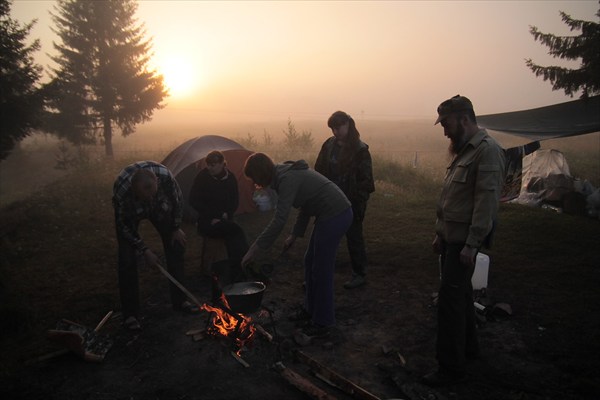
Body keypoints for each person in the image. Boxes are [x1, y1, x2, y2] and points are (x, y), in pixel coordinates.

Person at [423, 95, 506, 386]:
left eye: (446, 123)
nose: (444, 130)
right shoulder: (464, 151)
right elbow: (452, 198)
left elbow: (486, 203)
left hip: (464, 243)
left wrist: (472, 244)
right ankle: (470, 350)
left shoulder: (487, 152)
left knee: (449, 303)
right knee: (460, 297)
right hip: (451, 238)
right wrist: (440, 233)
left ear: (464, 119)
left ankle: (450, 370)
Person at [241, 153, 353, 336]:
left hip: (336, 214)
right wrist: (294, 235)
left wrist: (255, 248)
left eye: (254, 179)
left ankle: (323, 321)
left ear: (260, 174)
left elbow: (279, 220)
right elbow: (306, 204)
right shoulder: (281, 175)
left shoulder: (287, 179)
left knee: (321, 268)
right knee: (310, 261)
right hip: (328, 214)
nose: (255, 183)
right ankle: (310, 310)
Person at [112, 161, 193, 331]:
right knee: (127, 260)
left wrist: (176, 227)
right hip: (131, 214)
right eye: (144, 195)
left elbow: (177, 201)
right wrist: (144, 250)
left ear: (157, 181)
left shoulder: (165, 176)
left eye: (152, 193)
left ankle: (181, 300)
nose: (149, 198)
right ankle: (131, 315)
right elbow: (123, 226)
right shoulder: (122, 192)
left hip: (160, 208)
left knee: (176, 244)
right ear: (134, 190)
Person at [315, 111, 375, 289]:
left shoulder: (360, 150)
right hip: (330, 199)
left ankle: (359, 274)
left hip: (352, 201)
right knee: (324, 236)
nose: (335, 131)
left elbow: (366, 181)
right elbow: (319, 169)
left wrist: (357, 201)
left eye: (339, 127)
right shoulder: (329, 145)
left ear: (348, 124)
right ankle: (318, 273)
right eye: (333, 128)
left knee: (354, 237)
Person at [188, 150, 249, 268]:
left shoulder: (230, 178)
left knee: (235, 232)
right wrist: (214, 216)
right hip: (207, 220)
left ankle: (239, 263)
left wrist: (226, 214)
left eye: (213, 165)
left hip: (226, 218)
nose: (210, 168)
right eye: (208, 165)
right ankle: (236, 264)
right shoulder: (203, 176)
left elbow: (234, 201)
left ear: (222, 163)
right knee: (234, 231)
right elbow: (193, 200)